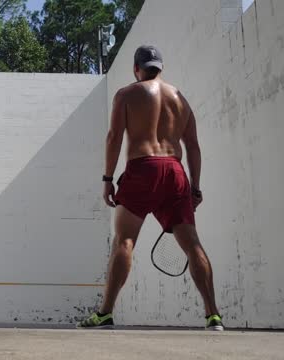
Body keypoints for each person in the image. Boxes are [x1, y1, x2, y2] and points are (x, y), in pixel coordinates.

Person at [77, 45, 223, 331]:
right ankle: (213, 315)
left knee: (124, 241)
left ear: (136, 68)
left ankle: (105, 312)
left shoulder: (127, 94)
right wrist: (195, 186)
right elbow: (192, 145)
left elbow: (114, 137)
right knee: (193, 244)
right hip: (175, 172)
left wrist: (107, 179)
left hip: (143, 169)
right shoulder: (180, 98)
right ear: (160, 67)